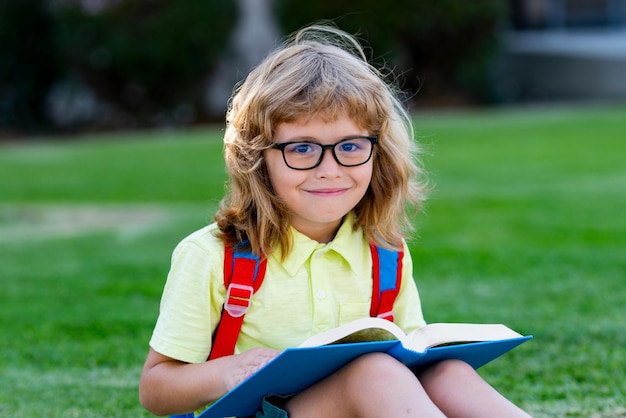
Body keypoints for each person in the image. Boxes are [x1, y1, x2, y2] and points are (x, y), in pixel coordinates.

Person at [139, 24, 530, 417]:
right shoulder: (211, 256)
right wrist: (227, 372)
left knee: (447, 372)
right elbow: (156, 389)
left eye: (350, 146)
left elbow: (413, 357)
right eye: (303, 148)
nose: (329, 170)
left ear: (378, 152)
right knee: (373, 372)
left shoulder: (385, 253)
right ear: (257, 159)